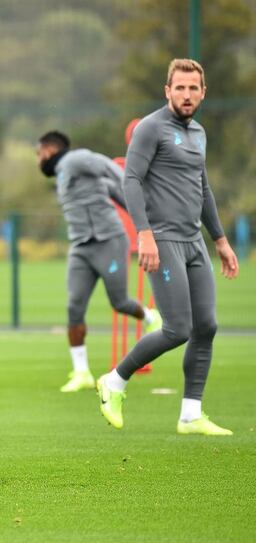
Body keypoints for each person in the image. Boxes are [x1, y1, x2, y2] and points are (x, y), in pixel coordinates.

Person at [96, 59, 239, 435]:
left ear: (203, 92)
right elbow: (131, 180)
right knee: (178, 328)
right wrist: (144, 234)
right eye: (180, 88)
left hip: (194, 243)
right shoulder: (151, 128)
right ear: (168, 90)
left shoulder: (199, 134)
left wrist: (220, 240)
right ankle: (114, 380)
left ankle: (191, 414)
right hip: (162, 241)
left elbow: (203, 189)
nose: (187, 94)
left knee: (206, 325)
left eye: (193, 88)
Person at [37, 131, 161, 392]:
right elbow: (108, 190)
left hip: (108, 241)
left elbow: (108, 168)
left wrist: (140, 211)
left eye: (39, 154)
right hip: (81, 246)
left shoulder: (74, 159)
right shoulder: (63, 174)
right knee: (74, 307)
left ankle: (151, 317)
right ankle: (81, 372)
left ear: (49, 149)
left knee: (120, 301)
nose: (39, 160)